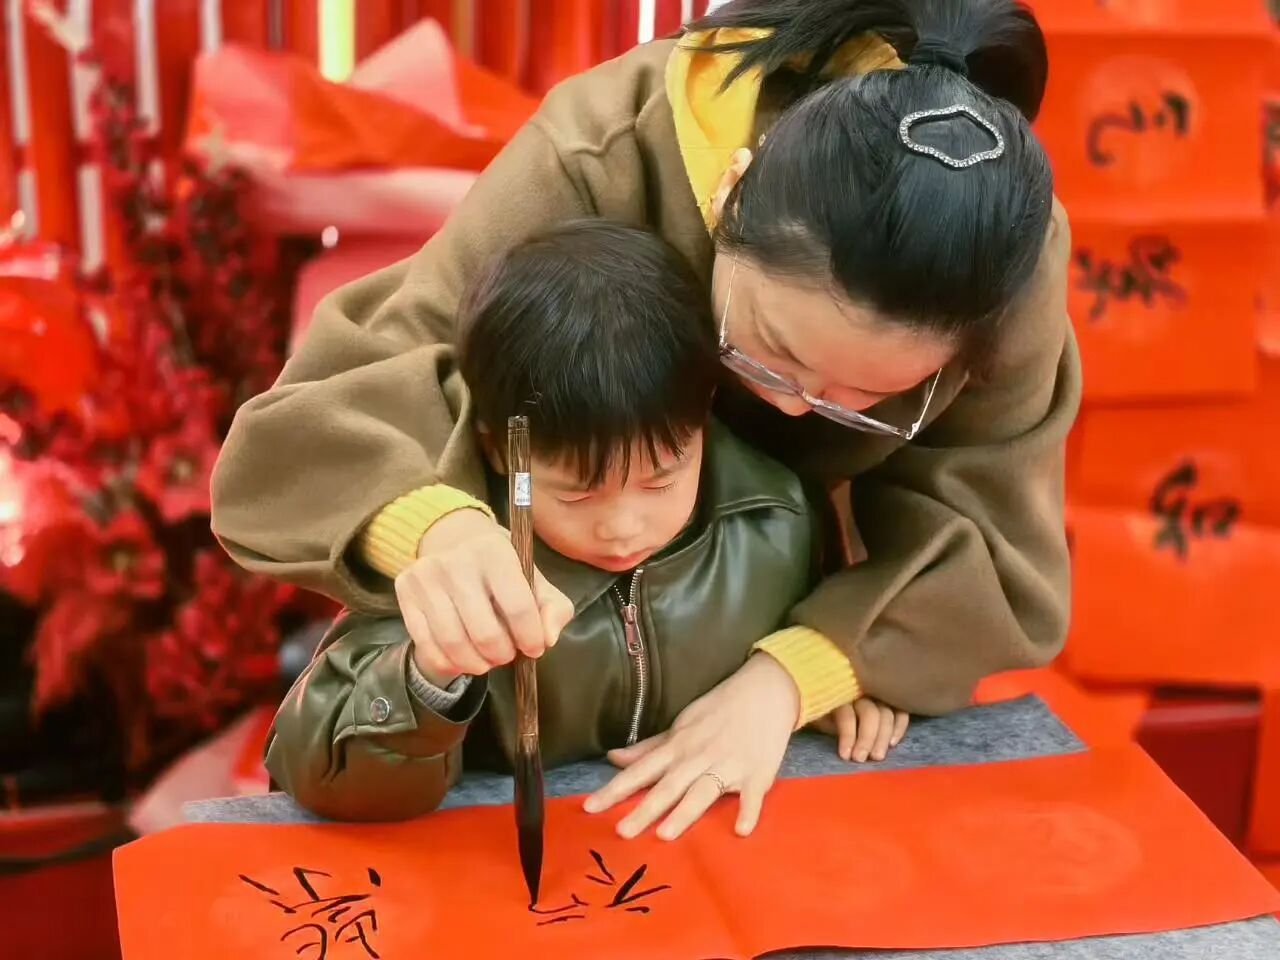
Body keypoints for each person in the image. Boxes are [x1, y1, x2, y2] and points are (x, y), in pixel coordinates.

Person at [212, 0, 1077, 838]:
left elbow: (997, 542)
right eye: (775, 348)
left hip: (782, 594)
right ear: (730, 192)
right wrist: (441, 533)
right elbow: (338, 399)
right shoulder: (601, 152)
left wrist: (805, 671)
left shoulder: (1007, 264)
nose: (793, 404)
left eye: (873, 395)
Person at [265, 220, 876, 830]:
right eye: (577, 493)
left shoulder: (776, 519)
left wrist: (818, 695)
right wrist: (427, 679)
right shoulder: (461, 562)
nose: (622, 526)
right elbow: (317, 773)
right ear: (499, 450)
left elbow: (835, 640)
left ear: (705, 416)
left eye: (660, 481)